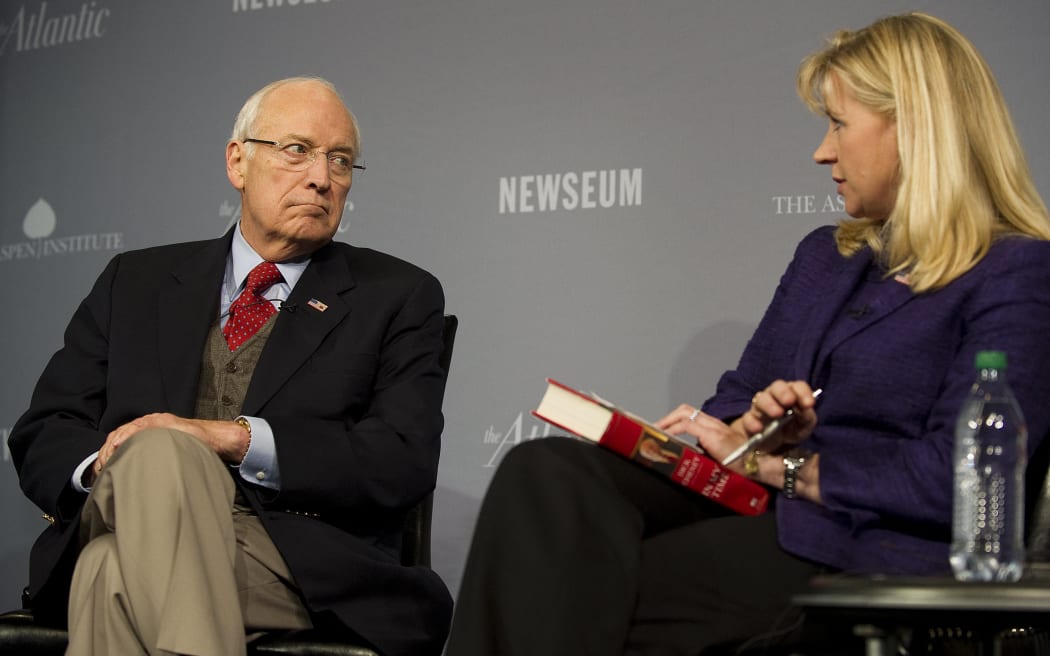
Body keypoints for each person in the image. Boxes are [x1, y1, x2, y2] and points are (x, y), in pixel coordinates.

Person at [444, 12, 1050, 655]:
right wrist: (746, 431)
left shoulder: (1017, 271)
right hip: (760, 503)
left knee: (584, 588)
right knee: (546, 469)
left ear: (915, 129)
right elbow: (734, 401)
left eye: (839, 124)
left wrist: (784, 465)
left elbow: (957, 480)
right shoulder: (827, 256)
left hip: (865, 548)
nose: (822, 150)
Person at [9, 77, 452, 656]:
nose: (321, 177)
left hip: (294, 558)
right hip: (122, 516)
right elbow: (46, 430)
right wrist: (119, 467)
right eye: (297, 150)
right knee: (157, 453)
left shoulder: (396, 295)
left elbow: (400, 459)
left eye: (340, 161)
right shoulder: (134, 283)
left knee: (108, 573)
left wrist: (232, 439)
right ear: (237, 161)